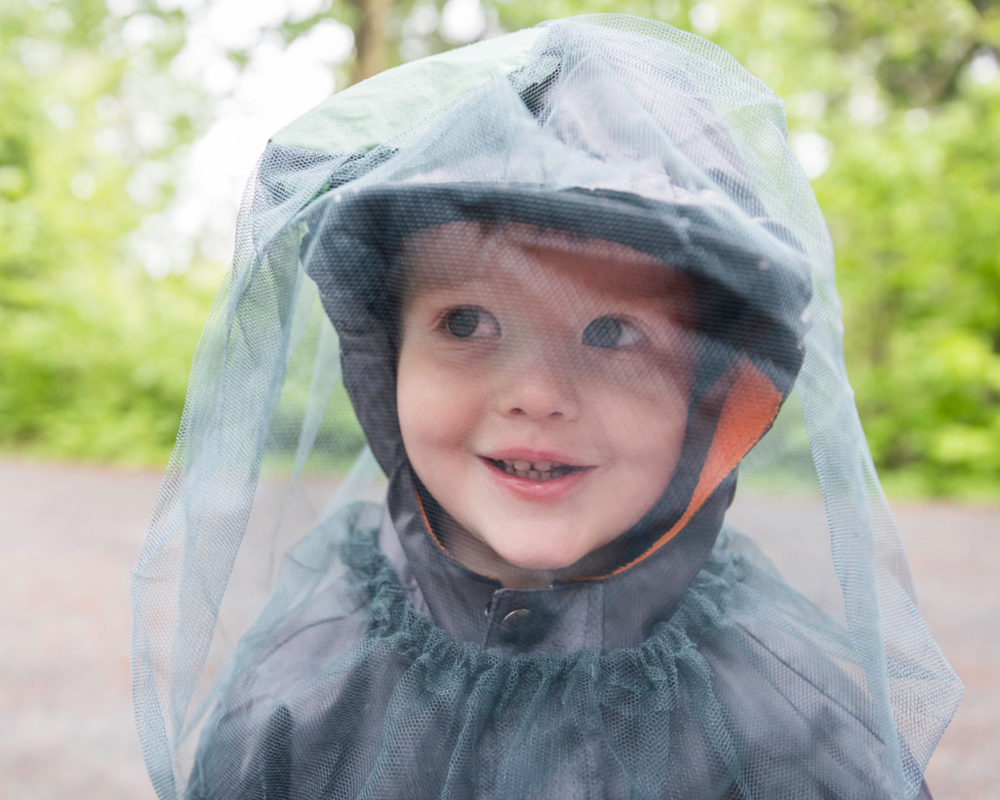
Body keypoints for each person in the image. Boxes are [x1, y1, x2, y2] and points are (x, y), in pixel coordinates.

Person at [131, 15, 960, 800]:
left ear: (713, 394)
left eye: (612, 332)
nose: (535, 395)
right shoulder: (300, 692)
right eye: (467, 323)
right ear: (387, 361)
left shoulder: (793, 722)